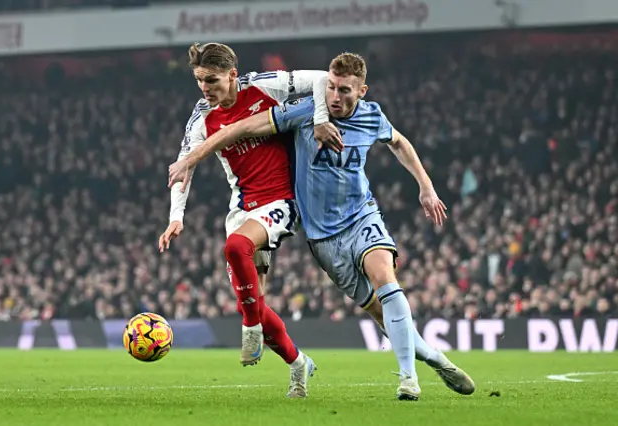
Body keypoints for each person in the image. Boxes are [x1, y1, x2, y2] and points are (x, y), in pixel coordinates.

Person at [168, 52, 476, 401]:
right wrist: (188, 165)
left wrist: (426, 186)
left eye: (345, 90)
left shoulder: (371, 115)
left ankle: (409, 380)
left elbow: (399, 143)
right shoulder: (298, 114)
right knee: (380, 313)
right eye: (331, 87)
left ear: (362, 91)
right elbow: (241, 128)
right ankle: (433, 358)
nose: (335, 96)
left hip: (359, 216)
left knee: (386, 280)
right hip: (323, 237)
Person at [158, 42, 341, 398]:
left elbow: (323, 79)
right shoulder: (201, 118)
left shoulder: (266, 85)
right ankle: (298, 364)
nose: (204, 88)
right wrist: (175, 217)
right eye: (199, 81)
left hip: (282, 201)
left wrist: (320, 119)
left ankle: (250, 328)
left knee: (236, 248)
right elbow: (184, 166)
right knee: (254, 298)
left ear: (231, 75)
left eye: (211, 80)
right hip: (242, 208)